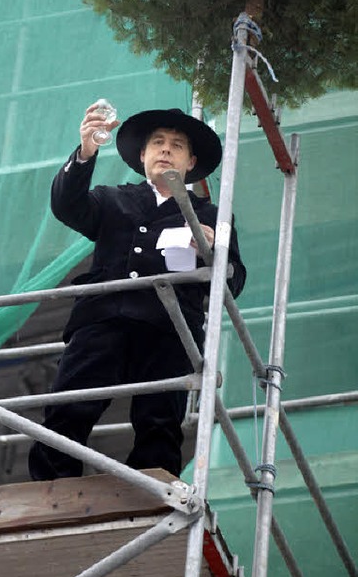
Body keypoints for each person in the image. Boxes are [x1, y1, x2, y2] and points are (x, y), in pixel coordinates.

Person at [28, 105, 246, 481]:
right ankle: (51, 488)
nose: (165, 150)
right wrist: (85, 152)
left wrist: (213, 254)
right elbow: (67, 206)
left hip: (171, 328)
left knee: (160, 420)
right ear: (142, 155)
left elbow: (233, 282)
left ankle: (152, 496)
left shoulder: (211, 215)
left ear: (191, 161)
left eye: (176, 145)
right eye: (157, 142)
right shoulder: (113, 197)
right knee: (69, 405)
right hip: (104, 319)